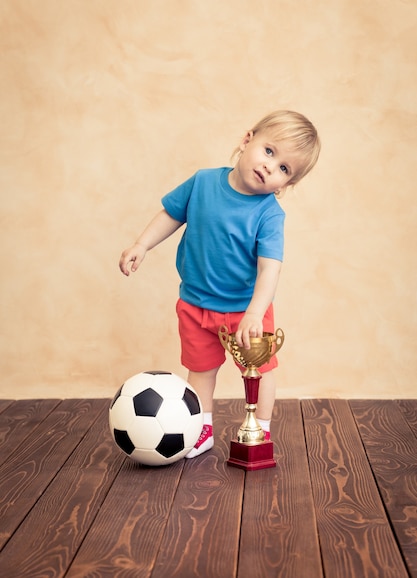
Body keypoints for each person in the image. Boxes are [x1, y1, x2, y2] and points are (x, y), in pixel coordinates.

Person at [119, 110, 320, 458]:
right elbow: (171, 214)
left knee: (261, 371)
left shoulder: (269, 214)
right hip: (196, 304)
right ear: (247, 140)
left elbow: (270, 268)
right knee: (200, 371)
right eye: (269, 152)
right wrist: (142, 244)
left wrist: (256, 313)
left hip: (245, 311)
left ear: (286, 185)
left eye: (285, 169)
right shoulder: (202, 182)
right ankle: (202, 429)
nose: (271, 167)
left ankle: (261, 430)